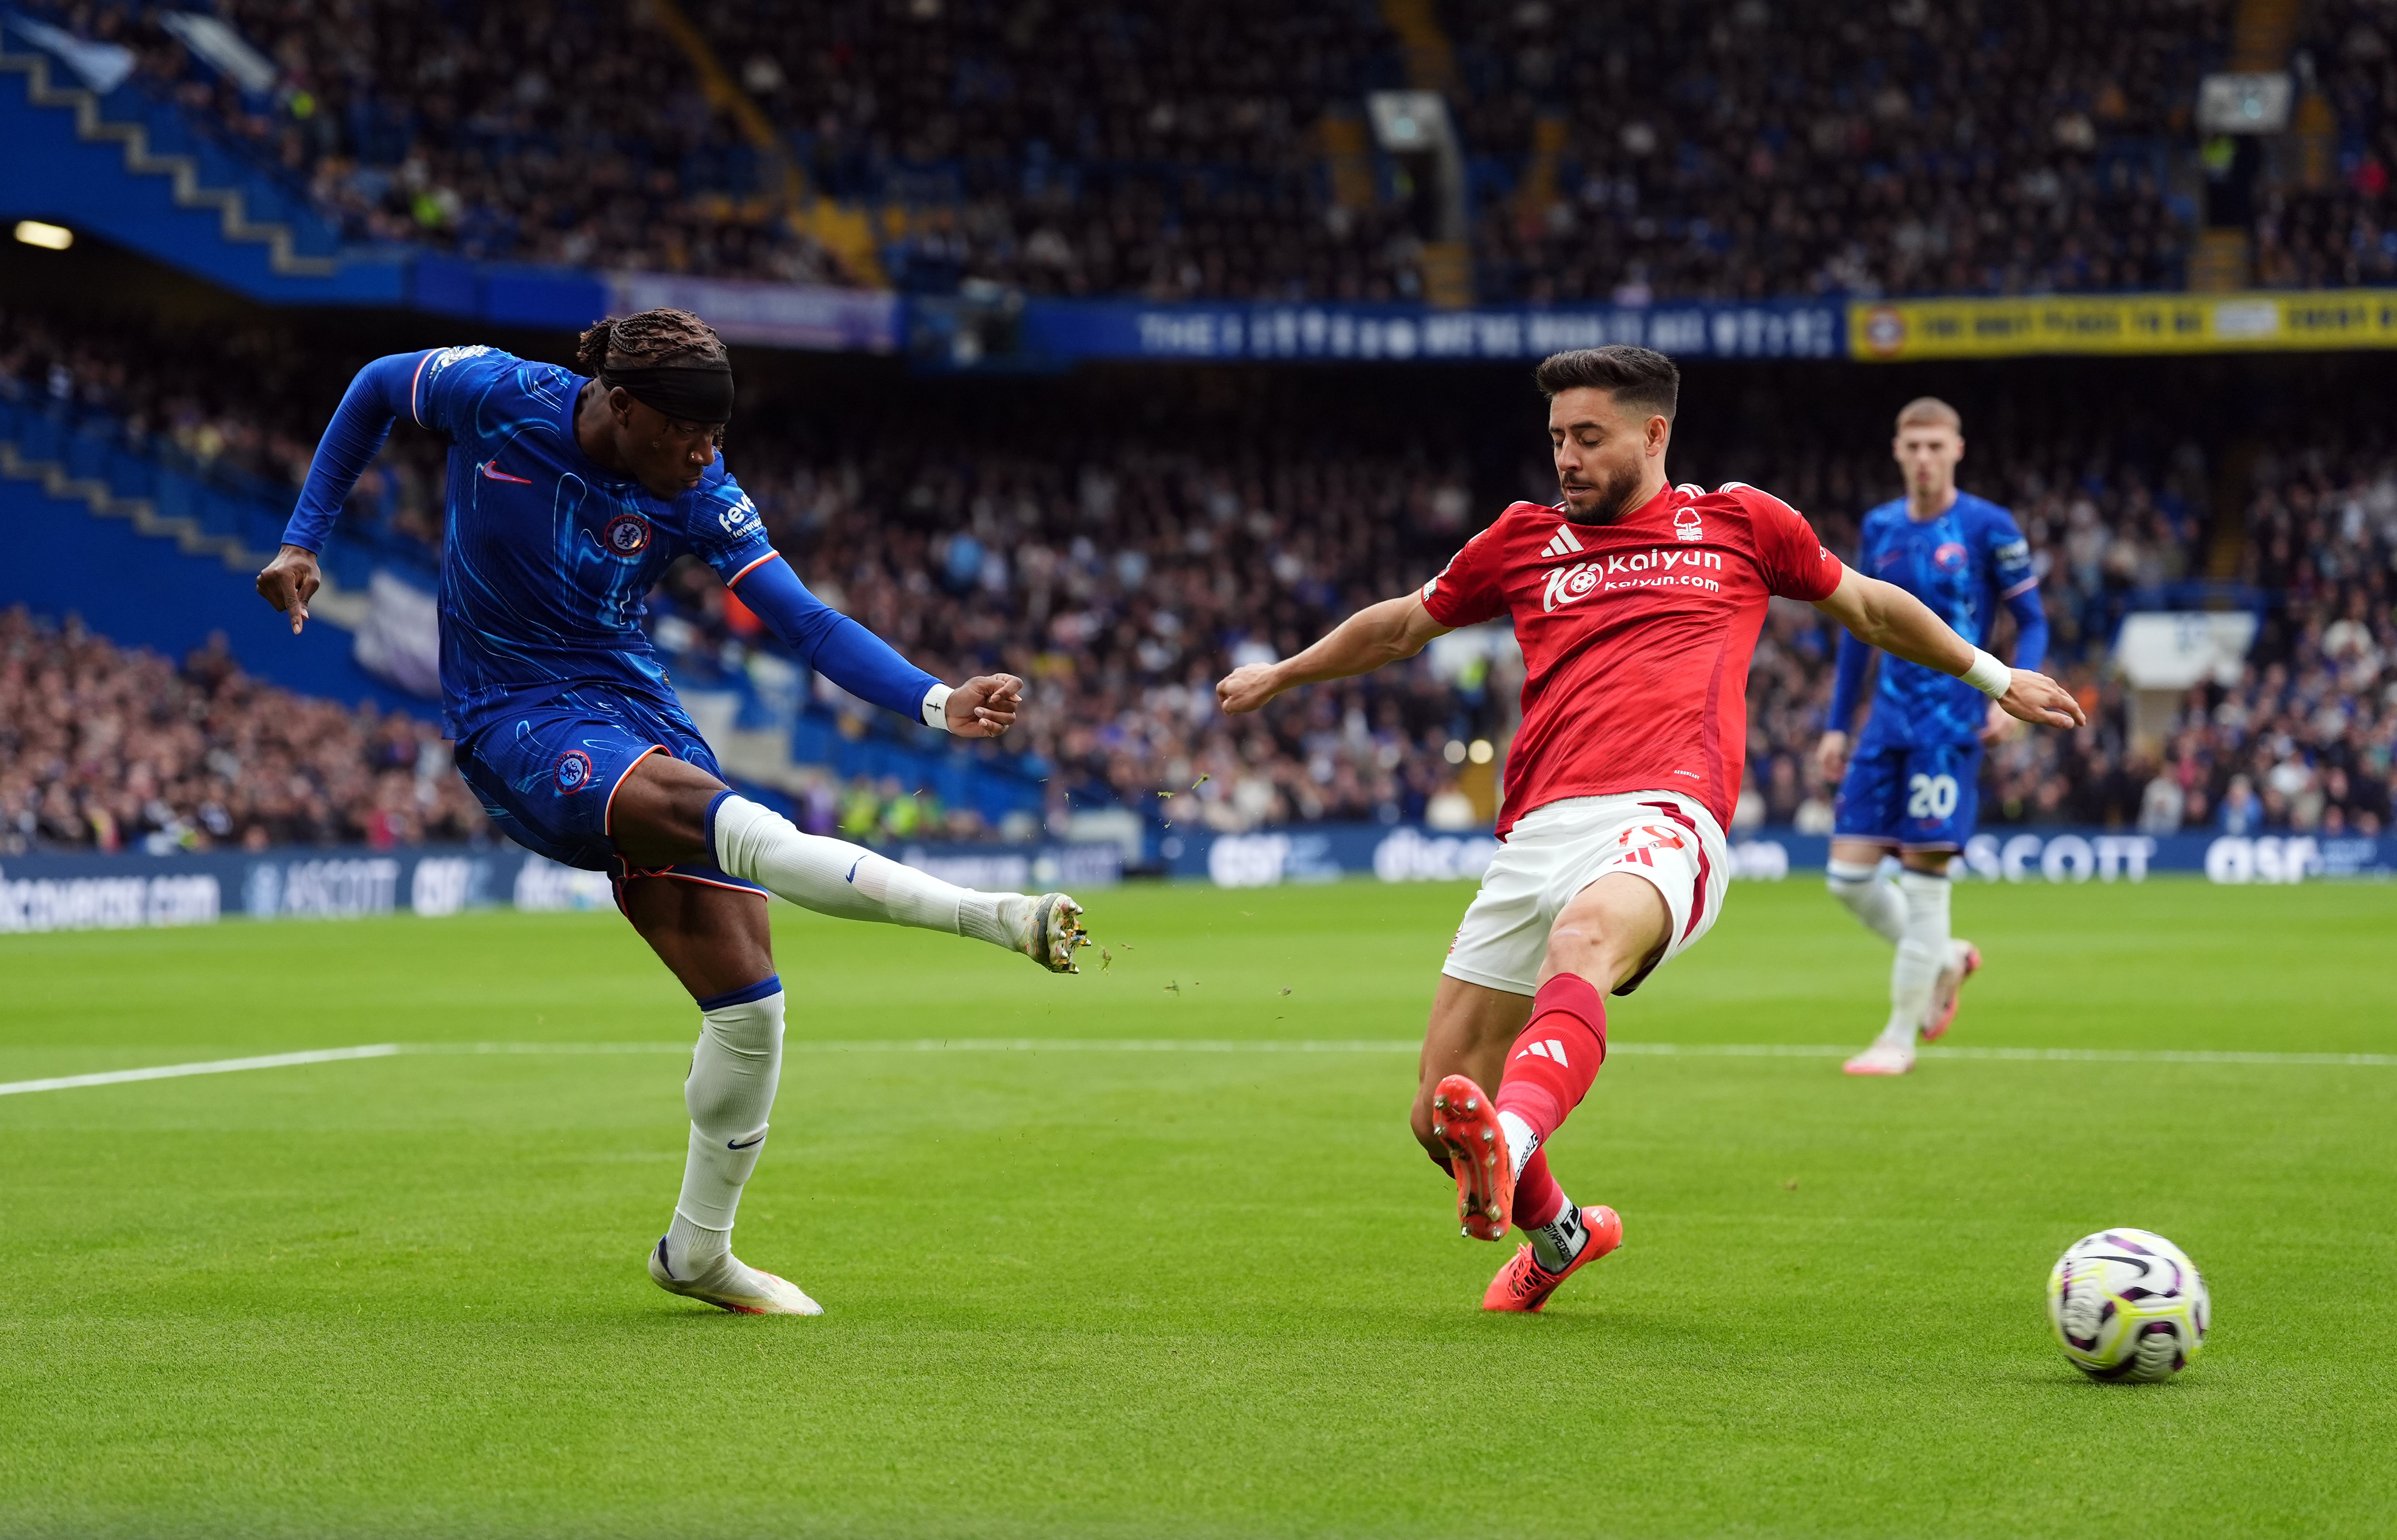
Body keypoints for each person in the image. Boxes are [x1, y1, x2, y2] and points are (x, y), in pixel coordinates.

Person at [254, 309, 1088, 1317]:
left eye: (719, 437)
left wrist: (935, 699)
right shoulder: (500, 395)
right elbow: (379, 382)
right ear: (625, 407)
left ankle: (697, 1251)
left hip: (632, 706)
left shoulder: (703, 492)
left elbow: (808, 623)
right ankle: (990, 914)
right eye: (690, 436)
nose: (706, 455)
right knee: (724, 813)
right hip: (513, 714)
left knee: (750, 1006)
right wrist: (304, 537)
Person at [1216, 347, 2081, 1313]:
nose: (1567, 458)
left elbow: (1872, 608)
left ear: (1654, 433)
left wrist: (2000, 678)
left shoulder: (1742, 523)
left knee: (1581, 945)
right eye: (1556, 440)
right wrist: (1282, 673)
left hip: (1667, 815)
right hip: (1537, 830)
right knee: (1433, 1115)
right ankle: (1563, 1233)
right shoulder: (1521, 538)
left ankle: (1515, 1132)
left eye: (1589, 437)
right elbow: (1401, 626)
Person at [1814, 399, 2048, 1076]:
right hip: (1885, 723)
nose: (1923, 457)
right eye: (1912, 446)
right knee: (1847, 878)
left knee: (1923, 883)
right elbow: (1863, 628)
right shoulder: (1880, 526)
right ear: (1897, 451)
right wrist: (1837, 724)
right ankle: (1944, 956)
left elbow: (2030, 618)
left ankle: (1898, 1037)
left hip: (1953, 722)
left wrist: (2009, 687)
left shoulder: (1987, 526)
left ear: (1957, 450)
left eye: (1935, 446)